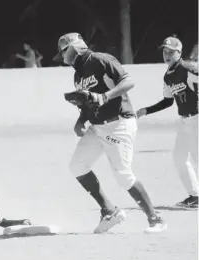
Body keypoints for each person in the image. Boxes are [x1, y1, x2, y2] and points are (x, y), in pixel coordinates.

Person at [53, 32, 167, 234]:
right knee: (77, 166)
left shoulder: (101, 60)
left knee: (123, 175)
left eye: (63, 53)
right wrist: (81, 120)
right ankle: (109, 211)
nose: (63, 59)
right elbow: (88, 103)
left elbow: (128, 82)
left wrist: (104, 96)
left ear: (72, 48)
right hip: (97, 126)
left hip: (119, 123)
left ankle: (156, 219)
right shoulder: (78, 73)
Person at [136, 36, 198, 208]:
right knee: (179, 157)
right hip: (186, 121)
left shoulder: (188, 68)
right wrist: (146, 110)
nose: (167, 55)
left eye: (171, 52)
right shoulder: (168, 76)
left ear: (179, 52)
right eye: (165, 51)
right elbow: (168, 101)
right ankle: (195, 196)